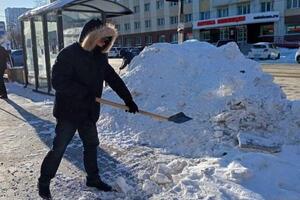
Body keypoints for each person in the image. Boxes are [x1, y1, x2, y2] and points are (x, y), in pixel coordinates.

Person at [38, 19, 139, 199]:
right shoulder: (68, 54)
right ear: (91, 36)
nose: (105, 44)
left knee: (91, 146)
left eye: (107, 41)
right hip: (68, 113)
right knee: (59, 148)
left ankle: (93, 178)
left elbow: (113, 79)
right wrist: (83, 92)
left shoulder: (100, 58)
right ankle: (44, 181)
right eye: (102, 39)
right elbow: (58, 82)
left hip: (88, 113)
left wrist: (128, 99)